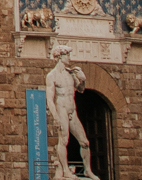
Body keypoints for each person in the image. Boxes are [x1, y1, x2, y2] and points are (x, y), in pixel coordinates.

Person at [45, 42, 95, 180]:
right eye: (67, 55)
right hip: (61, 109)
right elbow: (50, 99)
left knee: (85, 142)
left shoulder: (70, 73)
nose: (70, 58)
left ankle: (87, 170)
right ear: (60, 56)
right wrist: (55, 118)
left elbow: (80, 90)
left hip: (72, 111)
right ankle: (65, 170)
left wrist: (82, 79)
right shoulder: (52, 76)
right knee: (64, 140)